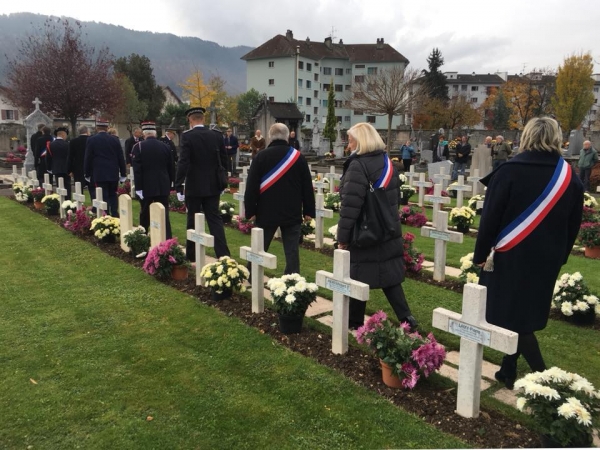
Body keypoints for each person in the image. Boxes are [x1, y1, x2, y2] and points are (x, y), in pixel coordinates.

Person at [473, 117, 583, 389]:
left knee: (515, 318)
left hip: (511, 256)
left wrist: (480, 256)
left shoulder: (509, 171)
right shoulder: (569, 176)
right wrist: (561, 256)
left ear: (527, 137)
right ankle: (508, 369)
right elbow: (574, 223)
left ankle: (547, 382)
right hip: (547, 259)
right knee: (521, 314)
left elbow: (490, 219)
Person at [336, 122, 417, 331]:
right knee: (389, 278)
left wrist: (342, 238)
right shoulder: (386, 161)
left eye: (351, 139)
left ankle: (354, 322)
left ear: (361, 141)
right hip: (387, 227)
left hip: (365, 231)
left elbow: (351, 206)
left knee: (358, 275)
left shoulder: (357, 165)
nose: (348, 143)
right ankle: (407, 319)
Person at [244, 123, 315, 275]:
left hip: (266, 211)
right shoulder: (298, 157)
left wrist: (250, 210)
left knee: (258, 248)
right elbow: (307, 186)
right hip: (292, 211)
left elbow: (251, 187)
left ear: (270, 136)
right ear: (288, 135)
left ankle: (251, 275)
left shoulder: (261, 156)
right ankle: (292, 281)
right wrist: (309, 210)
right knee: (292, 252)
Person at [174, 107, 231, 260]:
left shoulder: (187, 137)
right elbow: (224, 160)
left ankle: (192, 255)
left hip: (194, 186)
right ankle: (223, 255)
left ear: (190, 120)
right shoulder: (216, 136)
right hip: (213, 185)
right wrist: (223, 180)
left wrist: (178, 184)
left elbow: (183, 162)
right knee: (215, 220)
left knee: (192, 220)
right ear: (203, 119)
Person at [132, 122, 174, 238]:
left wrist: (139, 188)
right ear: (155, 133)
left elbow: (137, 170)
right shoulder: (166, 146)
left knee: (145, 213)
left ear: (144, 134)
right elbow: (171, 168)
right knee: (164, 213)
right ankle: (167, 239)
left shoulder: (138, 147)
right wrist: (171, 184)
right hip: (162, 184)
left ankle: (142, 237)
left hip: (146, 185)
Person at [84, 118, 127, 216]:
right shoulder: (114, 140)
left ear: (97, 128)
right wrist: (123, 173)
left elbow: (88, 157)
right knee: (113, 193)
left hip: (99, 172)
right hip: (113, 172)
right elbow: (120, 157)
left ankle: (106, 214)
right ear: (107, 127)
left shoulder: (91, 139)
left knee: (103, 195)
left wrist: (86, 173)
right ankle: (115, 213)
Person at [47, 127, 71, 199]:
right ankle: (68, 200)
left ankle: (61, 200)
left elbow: (48, 158)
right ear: (63, 135)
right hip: (67, 168)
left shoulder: (51, 144)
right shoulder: (68, 144)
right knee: (67, 186)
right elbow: (70, 157)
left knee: (59, 185)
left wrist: (49, 168)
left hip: (56, 168)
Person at [68, 126, 90, 196]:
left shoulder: (73, 141)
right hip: (90, 167)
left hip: (77, 168)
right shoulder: (92, 140)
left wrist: (69, 170)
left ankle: (79, 205)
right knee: (92, 188)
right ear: (87, 131)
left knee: (79, 188)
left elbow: (70, 156)